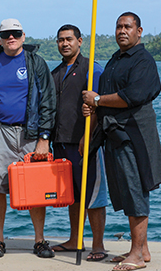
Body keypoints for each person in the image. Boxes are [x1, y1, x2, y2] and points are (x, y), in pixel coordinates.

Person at [82, 12, 161, 271]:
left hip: (134, 136)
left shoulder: (143, 60)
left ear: (139, 31)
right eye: (118, 26)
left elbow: (132, 96)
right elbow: (103, 98)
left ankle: (137, 255)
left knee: (135, 192)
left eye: (128, 26)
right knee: (126, 193)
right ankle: (142, 250)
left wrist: (96, 100)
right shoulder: (115, 60)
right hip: (114, 136)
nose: (122, 31)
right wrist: (93, 113)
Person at [0, 18, 56, 258]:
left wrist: (44, 136)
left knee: (37, 188)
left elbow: (48, 102)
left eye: (15, 33)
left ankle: (39, 240)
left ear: (23, 36)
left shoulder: (36, 63)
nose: (11, 37)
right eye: (6, 34)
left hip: (30, 132)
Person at [50, 24, 109, 261]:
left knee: (93, 196)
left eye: (69, 39)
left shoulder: (91, 68)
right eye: (60, 40)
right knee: (72, 195)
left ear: (80, 41)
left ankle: (98, 244)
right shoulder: (55, 73)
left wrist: (88, 134)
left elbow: (97, 104)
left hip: (86, 143)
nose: (65, 44)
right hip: (61, 143)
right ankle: (75, 239)